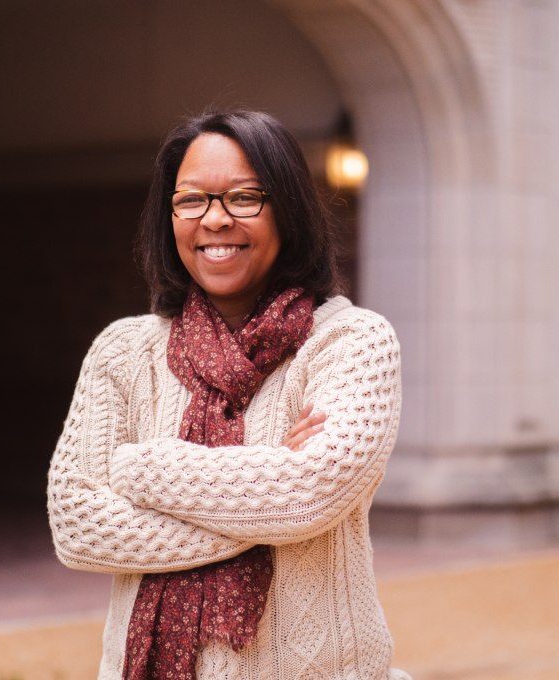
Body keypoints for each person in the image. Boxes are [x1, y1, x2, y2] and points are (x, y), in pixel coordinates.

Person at [48, 109, 408, 680]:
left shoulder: (351, 342)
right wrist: (267, 488)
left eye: (244, 197)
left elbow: (310, 494)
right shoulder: (123, 352)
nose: (214, 220)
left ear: (287, 207)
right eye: (191, 200)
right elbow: (78, 527)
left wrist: (140, 469)